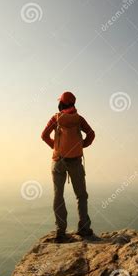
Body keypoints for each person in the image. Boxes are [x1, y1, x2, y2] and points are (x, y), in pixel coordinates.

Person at [41, 91, 95, 242]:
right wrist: (81, 146)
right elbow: (91, 134)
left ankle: (60, 232)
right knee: (81, 195)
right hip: (75, 161)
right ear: (73, 104)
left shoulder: (55, 118)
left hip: (58, 160)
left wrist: (56, 147)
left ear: (61, 103)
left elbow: (44, 135)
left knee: (58, 196)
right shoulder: (79, 119)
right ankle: (84, 228)